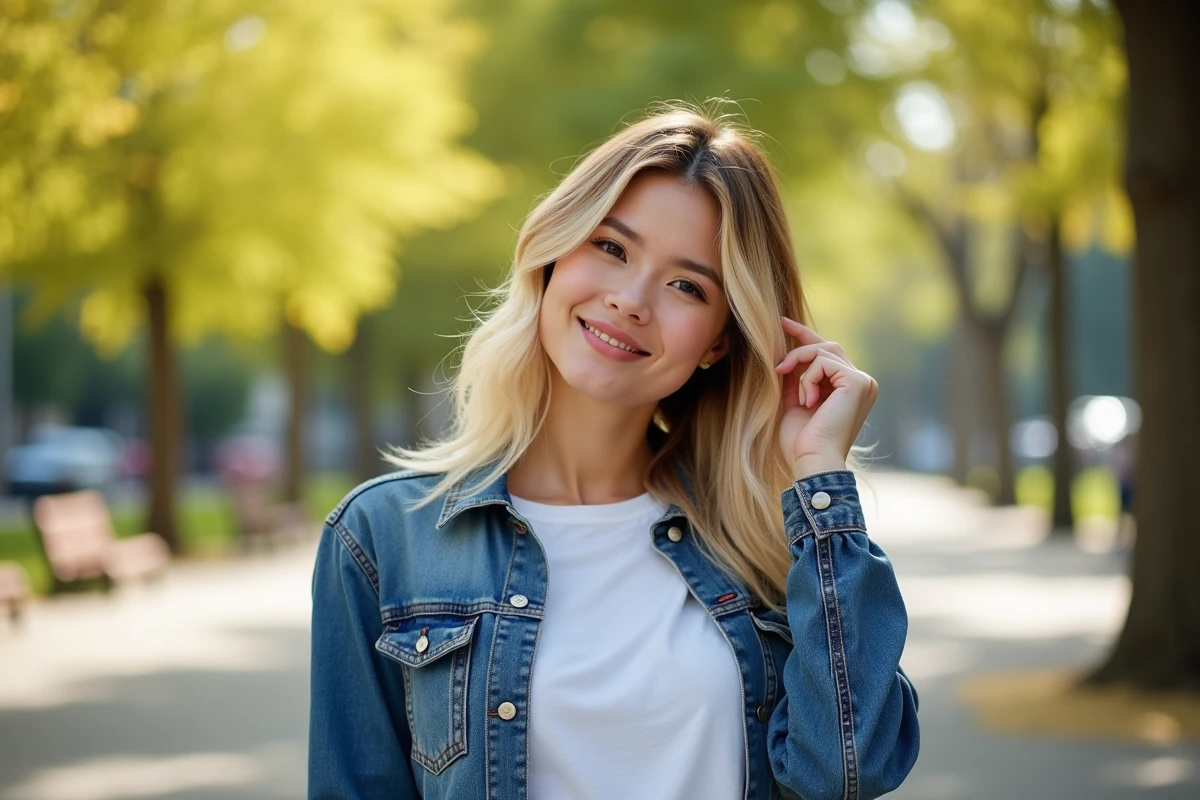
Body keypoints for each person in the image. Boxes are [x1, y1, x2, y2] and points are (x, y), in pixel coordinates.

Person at [308, 101, 920, 800]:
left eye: (687, 285)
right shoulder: (384, 538)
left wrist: (818, 475)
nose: (631, 299)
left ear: (720, 340)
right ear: (553, 253)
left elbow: (849, 771)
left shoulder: (768, 543)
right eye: (610, 247)